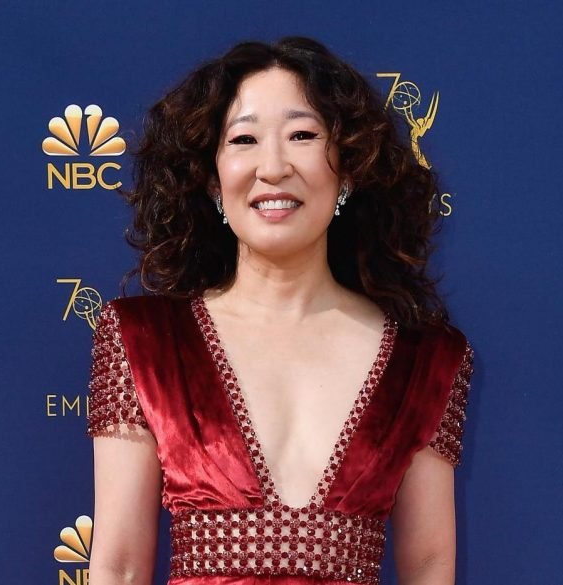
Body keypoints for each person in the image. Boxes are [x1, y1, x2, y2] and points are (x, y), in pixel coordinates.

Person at [86, 36, 474, 585]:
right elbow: (119, 567)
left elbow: (430, 566)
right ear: (212, 178)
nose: (272, 167)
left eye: (303, 135)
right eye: (244, 139)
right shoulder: (142, 341)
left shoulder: (425, 359)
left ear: (349, 167)